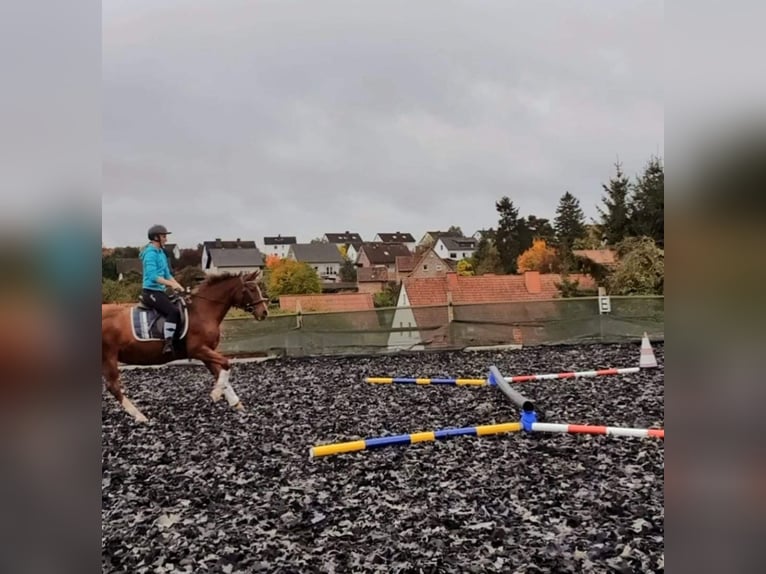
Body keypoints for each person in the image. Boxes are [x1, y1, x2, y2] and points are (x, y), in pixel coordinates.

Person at [140, 224, 185, 354]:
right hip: (150, 292)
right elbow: (153, 276)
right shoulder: (150, 254)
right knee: (173, 312)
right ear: (156, 237)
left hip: (160, 291)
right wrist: (171, 285)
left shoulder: (161, 253)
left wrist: (179, 286)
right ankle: (168, 343)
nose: (166, 239)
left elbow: (167, 275)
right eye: (164, 236)